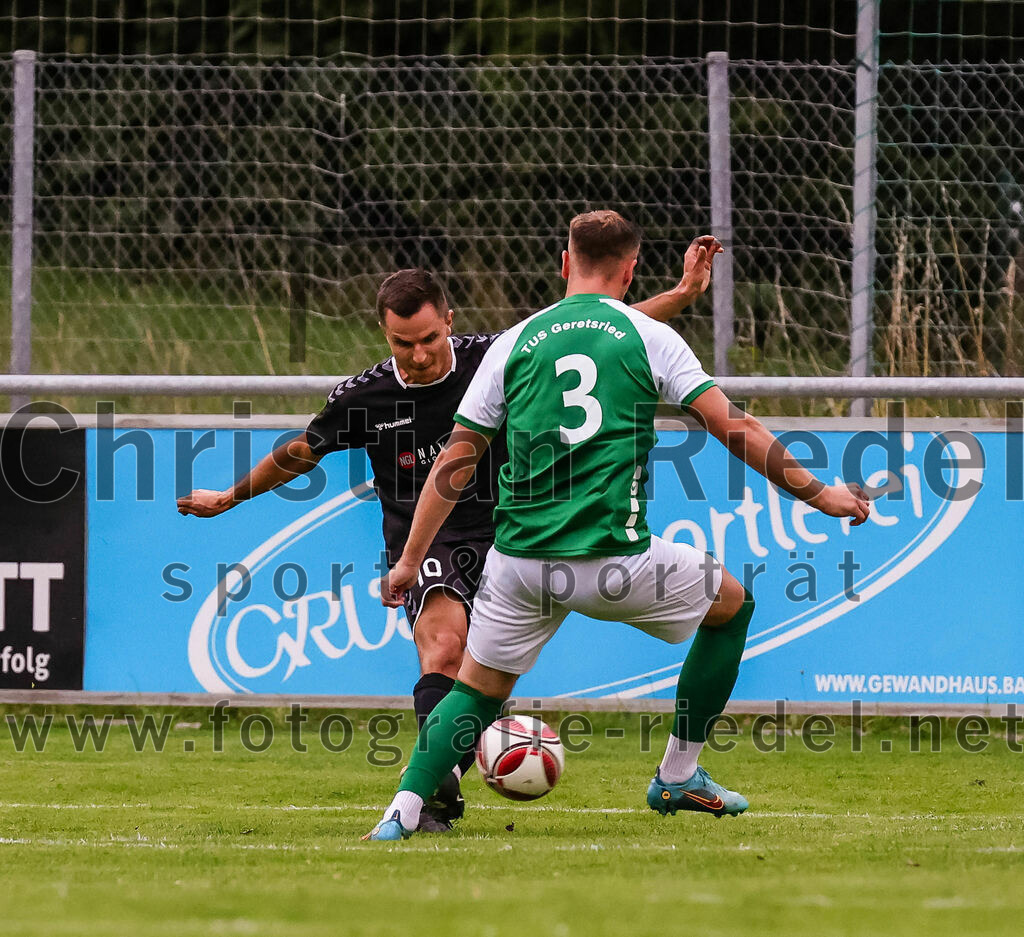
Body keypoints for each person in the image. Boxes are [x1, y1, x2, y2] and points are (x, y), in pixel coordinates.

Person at [177, 243, 722, 831]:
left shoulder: (491, 356)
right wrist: (231, 496)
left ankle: (446, 772)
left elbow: (596, 333)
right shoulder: (365, 398)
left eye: (428, 339)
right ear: (383, 335)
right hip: (430, 537)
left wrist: (682, 296)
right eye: (401, 344)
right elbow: (302, 453)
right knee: (443, 648)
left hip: (516, 530)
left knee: (479, 683)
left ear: (449, 321)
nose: (416, 356)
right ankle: (438, 793)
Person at [364, 210, 871, 841]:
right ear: (631, 271)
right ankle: (679, 773)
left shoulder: (513, 343)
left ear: (563, 263)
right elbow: (733, 427)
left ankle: (401, 813)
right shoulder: (649, 337)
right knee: (733, 607)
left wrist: (410, 562)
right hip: (610, 561)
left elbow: (455, 462)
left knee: (474, 690)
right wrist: (822, 494)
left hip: (517, 563)